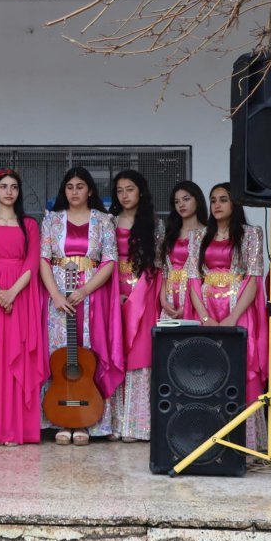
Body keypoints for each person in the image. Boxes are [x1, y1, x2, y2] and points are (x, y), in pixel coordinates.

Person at [39, 167, 123, 446]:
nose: (74, 192)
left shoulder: (103, 220)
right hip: (58, 296)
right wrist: (56, 296)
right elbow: (44, 259)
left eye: (80, 186)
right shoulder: (51, 220)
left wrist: (86, 289)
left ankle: (88, 422)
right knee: (58, 354)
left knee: (89, 354)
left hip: (92, 294)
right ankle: (59, 419)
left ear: (90, 190)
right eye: (70, 187)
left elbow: (110, 260)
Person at [185, 182, 268, 449]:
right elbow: (193, 279)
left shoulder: (251, 234)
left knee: (240, 370)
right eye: (213, 200)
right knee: (205, 371)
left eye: (223, 199)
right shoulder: (199, 236)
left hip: (237, 309)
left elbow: (254, 279)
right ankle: (206, 432)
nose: (217, 205)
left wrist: (233, 316)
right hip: (207, 310)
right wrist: (204, 317)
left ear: (235, 204)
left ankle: (245, 438)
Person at [0, 168, 47, 446]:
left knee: (18, 355)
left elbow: (32, 262)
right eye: (4, 186)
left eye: (14, 186)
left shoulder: (29, 225)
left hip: (20, 294)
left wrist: (12, 292)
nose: (9, 191)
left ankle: (16, 430)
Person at [109, 171, 163, 442]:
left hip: (145, 291)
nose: (125, 195)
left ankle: (138, 425)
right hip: (113, 291)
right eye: (119, 190)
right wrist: (114, 294)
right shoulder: (109, 221)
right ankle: (115, 423)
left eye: (130, 189)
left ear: (141, 191)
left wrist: (139, 294)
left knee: (140, 355)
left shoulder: (155, 224)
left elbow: (158, 264)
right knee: (115, 352)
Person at [160, 181, 208, 319]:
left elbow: (206, 274)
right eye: (177, 201)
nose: (181, 204)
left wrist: (188, 305)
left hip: (196, 301)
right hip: (169, 302)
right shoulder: (169, 233)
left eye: (186, 199)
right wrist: (163, 300)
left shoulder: (208, 233)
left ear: (197, 200)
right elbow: (164, 270)